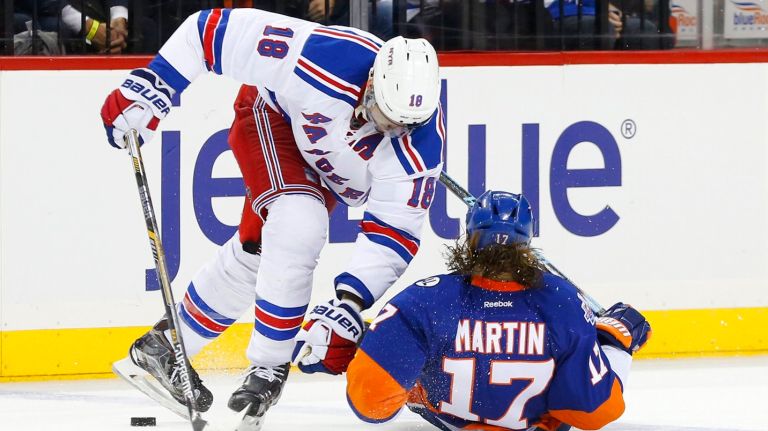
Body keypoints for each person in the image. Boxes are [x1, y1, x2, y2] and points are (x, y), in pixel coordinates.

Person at [100, 6, 444, 426]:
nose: (388, 129)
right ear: (371, 80)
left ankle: (166, 347)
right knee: (300, 220)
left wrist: (348, 304)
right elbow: (207, 31)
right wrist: (154, 85)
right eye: (382, 113)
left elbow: (393, 233)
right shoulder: (322, 55)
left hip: (321, 168)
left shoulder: (418, 144)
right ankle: (270, 365)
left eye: (401, 124)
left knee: (261, 252)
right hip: (272, 118)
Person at [346, 190, 652, 430]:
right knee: (611, 342)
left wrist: (375, 344)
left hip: (448, 419)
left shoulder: (424, 301)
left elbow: (370, 405)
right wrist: (616, 343)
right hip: (532, 425)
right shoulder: (563, 302)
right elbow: (593, 412)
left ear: (469, 239)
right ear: (528, 242)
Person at [14, 0, 129, 54]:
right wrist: (92, 29)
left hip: (95, 11)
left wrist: (119, 18)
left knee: (143, 24)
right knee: (57, 29)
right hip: (43, 12)